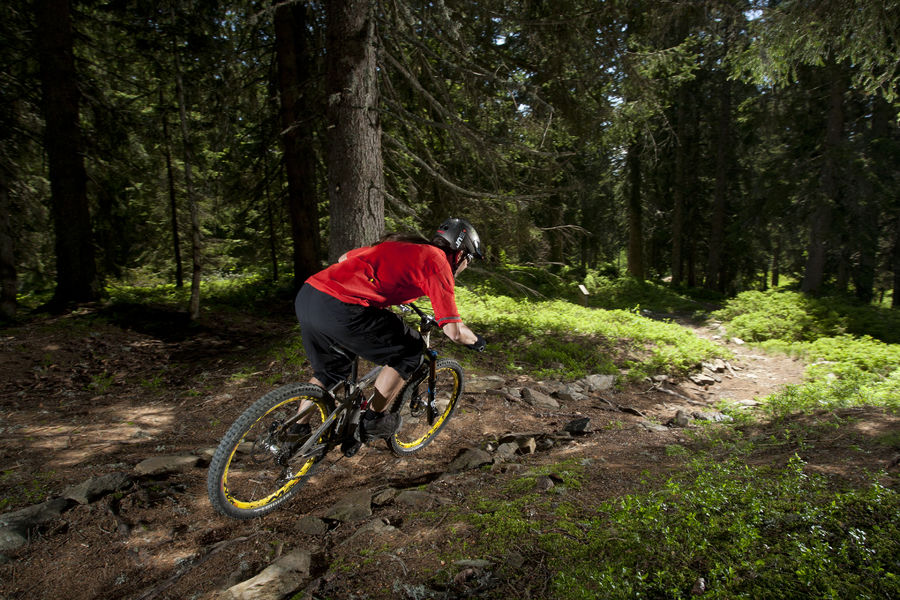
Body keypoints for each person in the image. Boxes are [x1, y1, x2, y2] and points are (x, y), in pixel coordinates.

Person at [294, 217, 486, 443]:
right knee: (411, 350)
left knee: (329, 373)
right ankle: (373, 420)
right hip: (343, 308)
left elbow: (344, 258)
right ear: (460, 253)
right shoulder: (438, 261)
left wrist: (385, 289)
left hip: (310, 295)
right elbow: (453, 331)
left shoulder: (407, 246)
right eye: (469, 260)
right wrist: (476, 340)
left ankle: (296, 430)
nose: (466, 265)